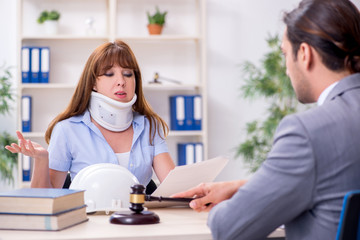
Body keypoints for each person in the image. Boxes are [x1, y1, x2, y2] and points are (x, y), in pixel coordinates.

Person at [172, 0, 360, 239]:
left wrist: (239, 201)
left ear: (304, 54)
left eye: (285, 54)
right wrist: (246, 187)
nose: (286, 69)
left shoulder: (308, 132)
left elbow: (230, 228)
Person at [6, 40, 175, 189]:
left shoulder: (150, 126)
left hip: (137, 222)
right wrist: (42, 160)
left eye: (128, 74)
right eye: (109, 74)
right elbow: (44, 199)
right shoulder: (67, 130)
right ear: (93, 83)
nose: (121, 81)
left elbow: (173, 186)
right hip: (88, 222)